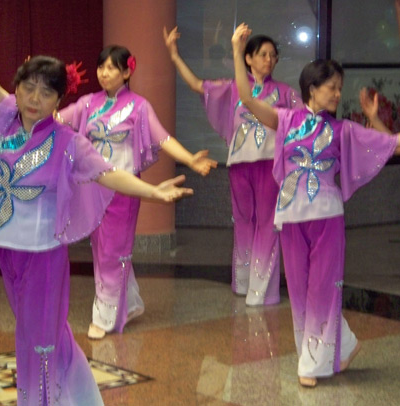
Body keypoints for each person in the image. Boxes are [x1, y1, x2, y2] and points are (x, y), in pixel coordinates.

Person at [0, 1, 193, 405]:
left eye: (47, 91)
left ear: (58, 100)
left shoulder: (67, 142)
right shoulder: (3, 116)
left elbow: (109, 173)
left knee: (39, 340)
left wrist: (153, 191)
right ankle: (80, 396)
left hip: (44, 254)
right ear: (16, 88)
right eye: (28, 87)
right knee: (39, 331)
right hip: (5, 247)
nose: (35, 98)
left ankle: (40, 401)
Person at [232, 22, 400, 387]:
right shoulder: (286, 118)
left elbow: (394, 145)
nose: (338, 94)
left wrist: (373, 118)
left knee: (323, 287)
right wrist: (236, 50)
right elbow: (245, 99)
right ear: (312, 88)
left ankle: (312, 364)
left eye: (340, 88)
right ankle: (341, 346)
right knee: (299, 289)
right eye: (332, 87)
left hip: (327, 216)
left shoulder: (343, 130)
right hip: (291, 216)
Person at [58, 45, 217, 339]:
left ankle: (104, 317)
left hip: (125, 188)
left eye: (112, 68)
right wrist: (36, 85)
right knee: (103, 249)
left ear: (127, 72)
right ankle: (128, 302)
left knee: (113, 250)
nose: (105, 73)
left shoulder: (139, 106)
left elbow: (163, 137)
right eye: (101, 67)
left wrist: (189, 158)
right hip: (94, 187)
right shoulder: (87, 103)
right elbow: (55, 119)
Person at [163, 26, 302, 306]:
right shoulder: (233, 88)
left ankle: (262, 289)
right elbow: (196, 85)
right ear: (248, 59)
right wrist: (174, 55)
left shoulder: (286, 93)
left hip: (269, 165)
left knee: (267, 223)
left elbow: (302, 122)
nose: (269, 60)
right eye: (262, 54)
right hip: (239, 164)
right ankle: (243, 282)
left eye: (273, 56)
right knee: (242, 221)